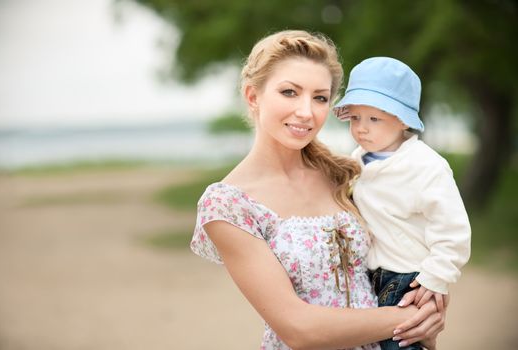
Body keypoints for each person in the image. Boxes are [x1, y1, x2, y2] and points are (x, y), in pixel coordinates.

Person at [191, 30, 445, 350]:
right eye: (289, 92)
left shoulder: (345, 174)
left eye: (320, 97)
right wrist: (411, 319)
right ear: (253, 96)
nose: (306, 112)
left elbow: (403, 254)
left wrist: (426, 325)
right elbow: (299, 329)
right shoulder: (228, 205)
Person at [333, 57, 471, 350]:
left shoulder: (426, 166)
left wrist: (436, 278)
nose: (361, 128)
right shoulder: (357, 161)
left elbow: (453, 231)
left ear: (402, 120)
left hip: (408, 277)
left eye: (374, 119)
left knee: (401, 342)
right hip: (370, 276)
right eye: (355, 118)